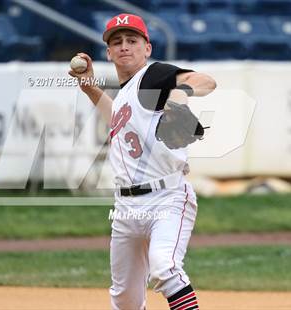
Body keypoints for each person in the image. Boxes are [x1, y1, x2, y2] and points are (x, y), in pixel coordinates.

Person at [69, 13, 216, 310]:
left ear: (147, 48)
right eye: (117, 42)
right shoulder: (125, 94)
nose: (125, 46)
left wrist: (179, 94)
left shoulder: (154, 75)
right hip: (126, 208)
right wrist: (89, 88)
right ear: (108, 52)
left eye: (132, 40)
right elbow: (118, 119)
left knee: (165, 268)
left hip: (167, 197)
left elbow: (206, 82)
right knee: (125, 299)